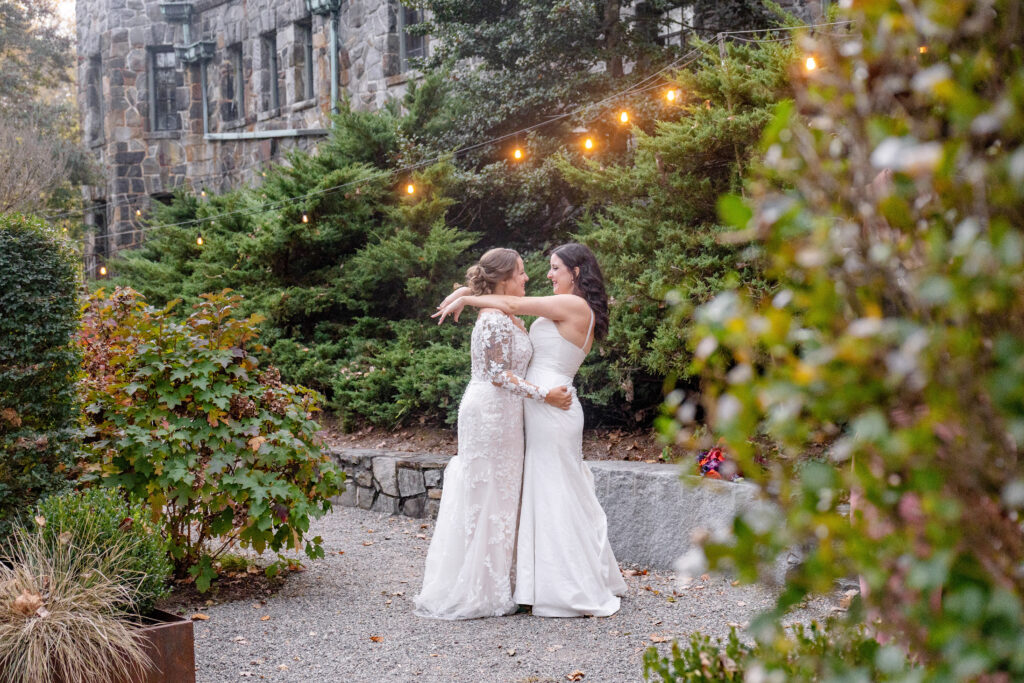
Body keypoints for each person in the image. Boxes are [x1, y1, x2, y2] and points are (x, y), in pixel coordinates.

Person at [434, 243, 627, 617]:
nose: (548, 275)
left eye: (556, 268)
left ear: (576, 271)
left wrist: (464, 294)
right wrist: (467, 293)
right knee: (548, 488)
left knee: (555, 490)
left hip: (552, 405)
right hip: (541, 405)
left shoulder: (573, 305)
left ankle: (565, 585)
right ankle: (540, 582)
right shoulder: (569, 305)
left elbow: (511, 305)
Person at [414, 248, 572, 620]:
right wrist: (544, 395)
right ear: (502, 279)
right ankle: (480, 590)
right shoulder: (494, 320)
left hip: (506, 415)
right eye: (520, 273)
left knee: (503, 496)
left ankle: (501, 580)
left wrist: (464, 295)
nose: (526, 278)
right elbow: (498, 375)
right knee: (487, 495)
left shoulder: (508, 314)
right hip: (488, 412)